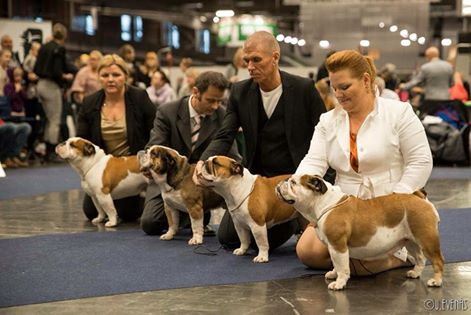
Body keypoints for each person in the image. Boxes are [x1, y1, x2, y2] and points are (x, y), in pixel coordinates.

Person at [295, 50, 433, 275]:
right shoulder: (327, 120)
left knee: (358, 265)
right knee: (307, 252)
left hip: (391, 206)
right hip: (344, 206)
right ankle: (362, 259)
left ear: (366, 81)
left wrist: (396, 200)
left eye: (345, 87)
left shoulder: (400, 112)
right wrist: (296, 186)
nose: (338, 94)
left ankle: (399, 258)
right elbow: (314, 160)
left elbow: (420, 161)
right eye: (334, 87)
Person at [193, 31, 328, 250]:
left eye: (257, 60)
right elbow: (225, 134)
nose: (250, 66)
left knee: (262, 241)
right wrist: (203, 160)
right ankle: (293, 221)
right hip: (255, 184)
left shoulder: (304, 88)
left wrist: (322, 181)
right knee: (227, 238)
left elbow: (324, 136)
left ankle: (294, 215)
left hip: (294, 180)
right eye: (247, 61)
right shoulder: (239, 91)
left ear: (275, 58)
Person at [141, 71, 240, 236]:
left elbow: (233, 156)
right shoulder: (167, 111)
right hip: (169, 183)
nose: (216, 106)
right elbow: (153, 147)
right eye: (211, 100)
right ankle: (191, 213)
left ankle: (194, 211)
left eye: (219, 101)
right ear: (195, 92)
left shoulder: (223, 116)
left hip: (206, 188)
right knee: (150, 223)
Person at [77, 54, 156, 223]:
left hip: (134, 168)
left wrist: (148, 163)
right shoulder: (89, 102)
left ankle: (142, 195)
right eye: (105, 75)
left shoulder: (139, 97)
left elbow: (155, 132)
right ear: (98, 78)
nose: (110, 80)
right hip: (104, 169)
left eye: (116, 75)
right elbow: (83, 140)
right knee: (90, 211)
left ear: (126, 76)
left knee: (129, 214)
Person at [34, 23, 76, 162]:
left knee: (48, 119)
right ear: (64, 35)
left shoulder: (44, 47)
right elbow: (58, 71)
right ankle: (51, 152)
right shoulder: (59, 49)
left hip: (39, 84)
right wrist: (66, 76)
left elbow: (36, 68)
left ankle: (47, 150)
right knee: (55, 120)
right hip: (51, 86)